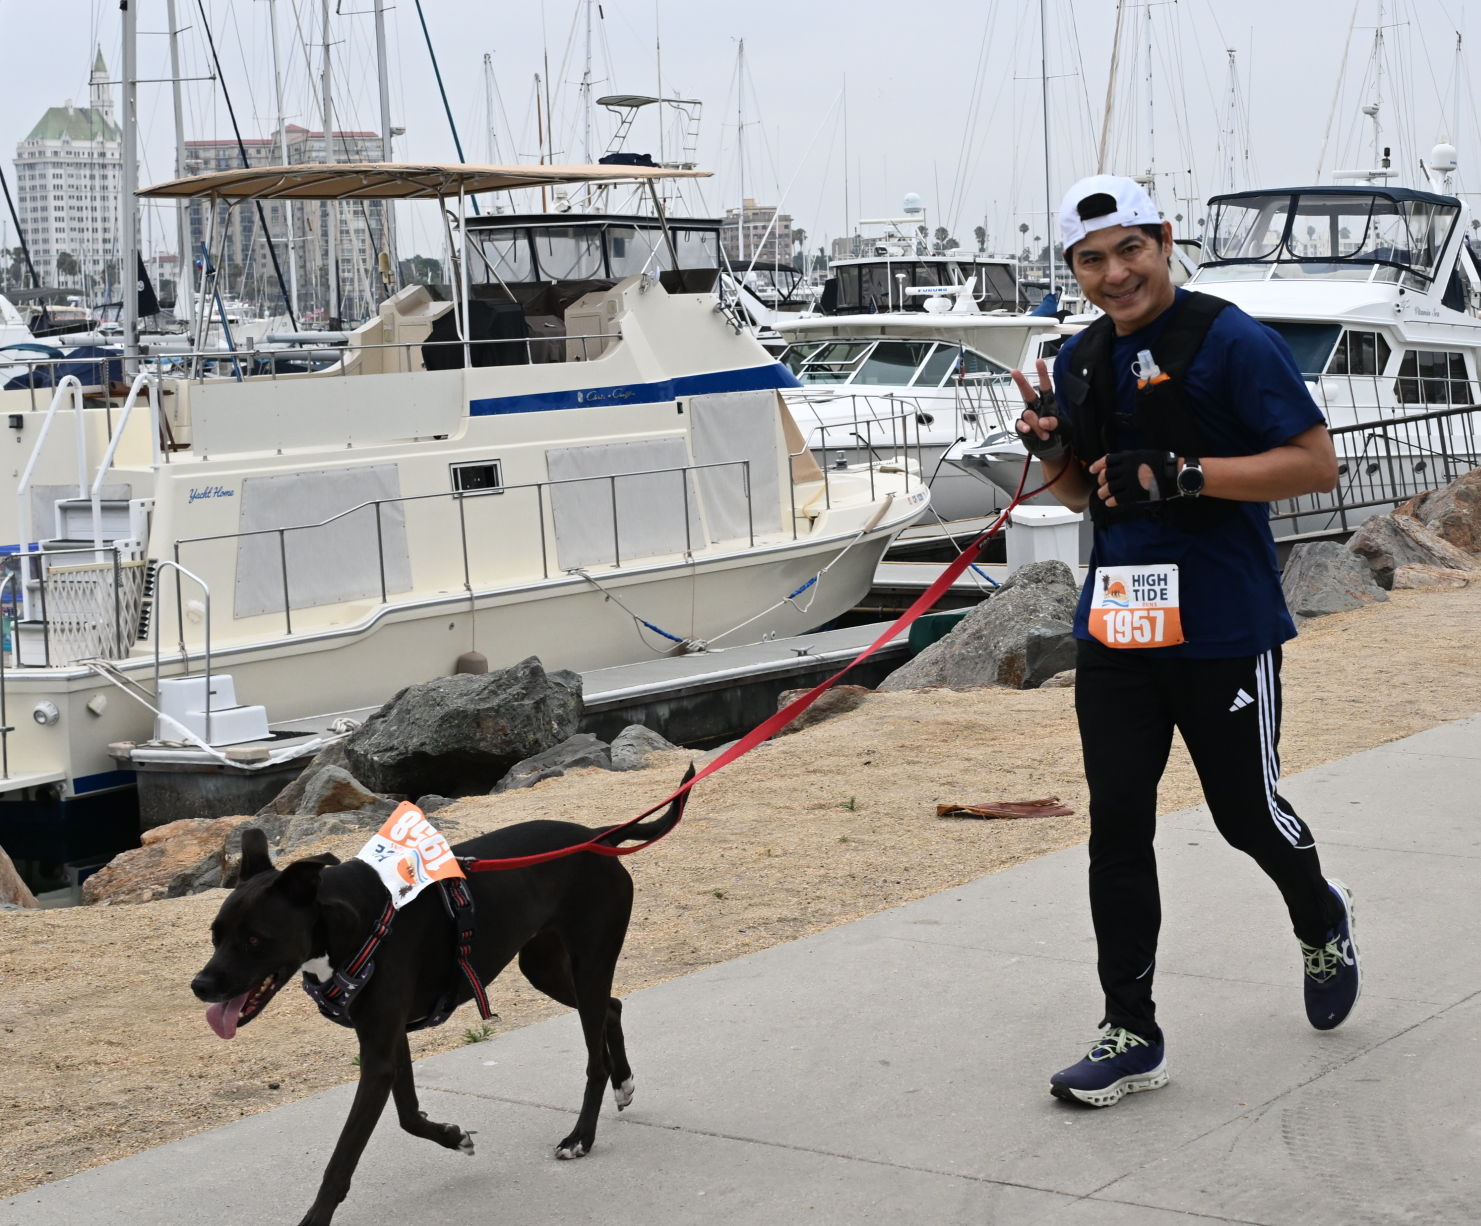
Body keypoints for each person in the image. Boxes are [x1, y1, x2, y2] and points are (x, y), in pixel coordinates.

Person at [1012, 175, 1361, 1109]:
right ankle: (1130, 1030)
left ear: (1165, 241)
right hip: (1120, 623)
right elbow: (1088, 496)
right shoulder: (1080, 356)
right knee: (1115, 827)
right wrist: (1050, 446)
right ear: (1074, 268)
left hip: (1221, 622)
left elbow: (1314, 464)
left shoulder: (1229, 337)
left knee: (1244, 814)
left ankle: (1320, 916)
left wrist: (1186, 472)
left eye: (1130, 249)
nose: (1115, 273)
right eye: (1092, 259)